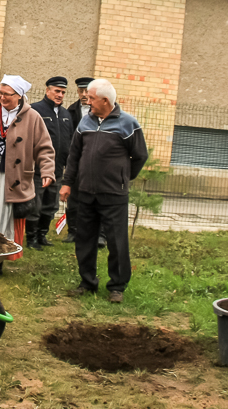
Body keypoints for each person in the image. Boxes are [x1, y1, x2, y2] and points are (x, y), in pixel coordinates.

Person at [61, 78, 148, 303]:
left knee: (117, 241)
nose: (87, 101)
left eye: (91, 98)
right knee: (85, 239)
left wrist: (123, 177)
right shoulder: (85, 123)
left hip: (113, 195)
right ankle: (87, 282)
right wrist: (68, 182)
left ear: (105, 101)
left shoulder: (128, 124)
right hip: (86, 192)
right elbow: (74, 155)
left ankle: (116, 287)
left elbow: (139, 156)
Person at [0, 75, 55, 280]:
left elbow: (45, 148)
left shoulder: (33, 118)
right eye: (0, 93)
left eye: (7, 94)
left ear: (19, 96)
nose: (2, 97)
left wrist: (48, 170)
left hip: (11, 179)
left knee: (1, 220)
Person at [27, 76, 73, 249]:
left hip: (57, 171)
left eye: (62, 92)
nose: (60, 95)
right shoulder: (34, 110)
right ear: (47, 90)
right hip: (38, 170)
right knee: (35, 206)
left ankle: (42, 235)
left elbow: (68, 141)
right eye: (56, 91)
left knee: (51, 206)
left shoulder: (66, 114)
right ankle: (31, 238)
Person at [64, 76, 93, 243]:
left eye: (87, 91)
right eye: (81, 91)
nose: (83, 94)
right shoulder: (71, 111)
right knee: (73, 198)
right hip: (75, 161)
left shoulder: (99, 111)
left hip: (94, 162)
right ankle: (72, 231)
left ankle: (96, 234)